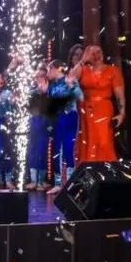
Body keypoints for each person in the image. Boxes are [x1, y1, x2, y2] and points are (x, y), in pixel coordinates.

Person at [71, 45, 125, 163]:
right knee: (87, 141)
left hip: (104, 110)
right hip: (86, 110)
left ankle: (105, 169)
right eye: (93, 53)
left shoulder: (112, 70)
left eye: (99, 52)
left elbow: (119, 94)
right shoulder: (83, 69)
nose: (96, 55)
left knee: (104, 141)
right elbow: (70, 79)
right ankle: (88, 169)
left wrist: (121, 113)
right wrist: (82, 61)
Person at [44, 59, 83, 195]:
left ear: (55, 69)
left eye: (49, 70)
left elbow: (80, 97)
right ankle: (58, 184)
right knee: (56, 150)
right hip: (57, 119)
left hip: (70, 117)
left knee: (68, 149)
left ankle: (70, 183)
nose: (47, 73)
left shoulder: (70, 80)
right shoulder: (51, 87)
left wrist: (71, 85)